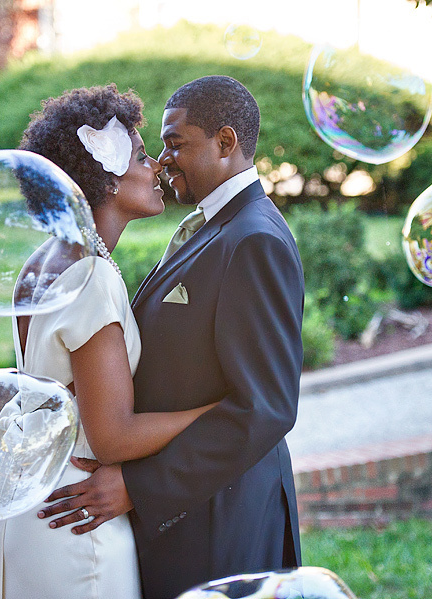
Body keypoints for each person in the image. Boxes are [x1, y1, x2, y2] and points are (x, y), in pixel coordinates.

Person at [39, 75, 305, 599]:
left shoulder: (254, 239)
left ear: (225, 143)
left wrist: (139, 486)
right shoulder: (212, 227)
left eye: (175, 144)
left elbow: (267, 407)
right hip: (187, 515)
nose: (162, 161)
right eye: (158, 147)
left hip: (222, 520)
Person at [0, 84, 216, 599]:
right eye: (145, 156)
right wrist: (217, 411)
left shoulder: (42, 263)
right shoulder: (92, 278)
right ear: (104, 177)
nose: (157, 169)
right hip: (80, 519)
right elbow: (113, 438)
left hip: (33, 496)